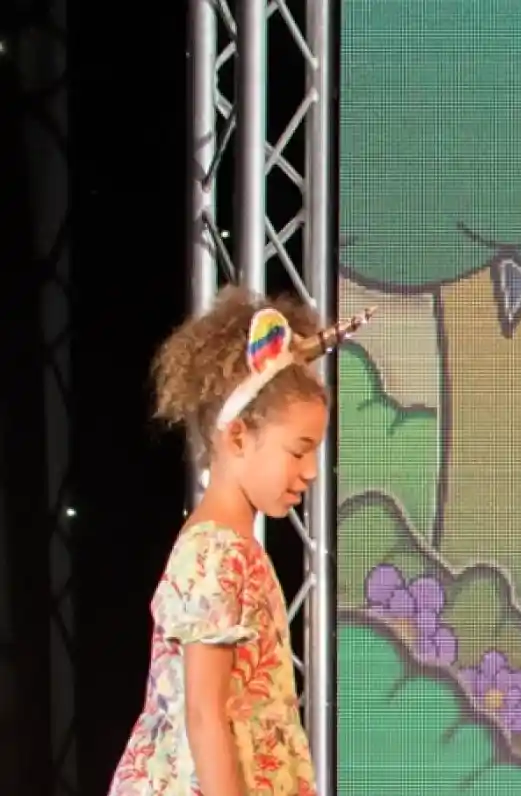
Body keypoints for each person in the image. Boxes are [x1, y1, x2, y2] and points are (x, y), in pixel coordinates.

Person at [109, 288, 366, 796]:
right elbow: (205, 717)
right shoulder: (216, 553)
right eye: (298, 451)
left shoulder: (234, 548)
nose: (311, 472)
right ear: (238, 437)